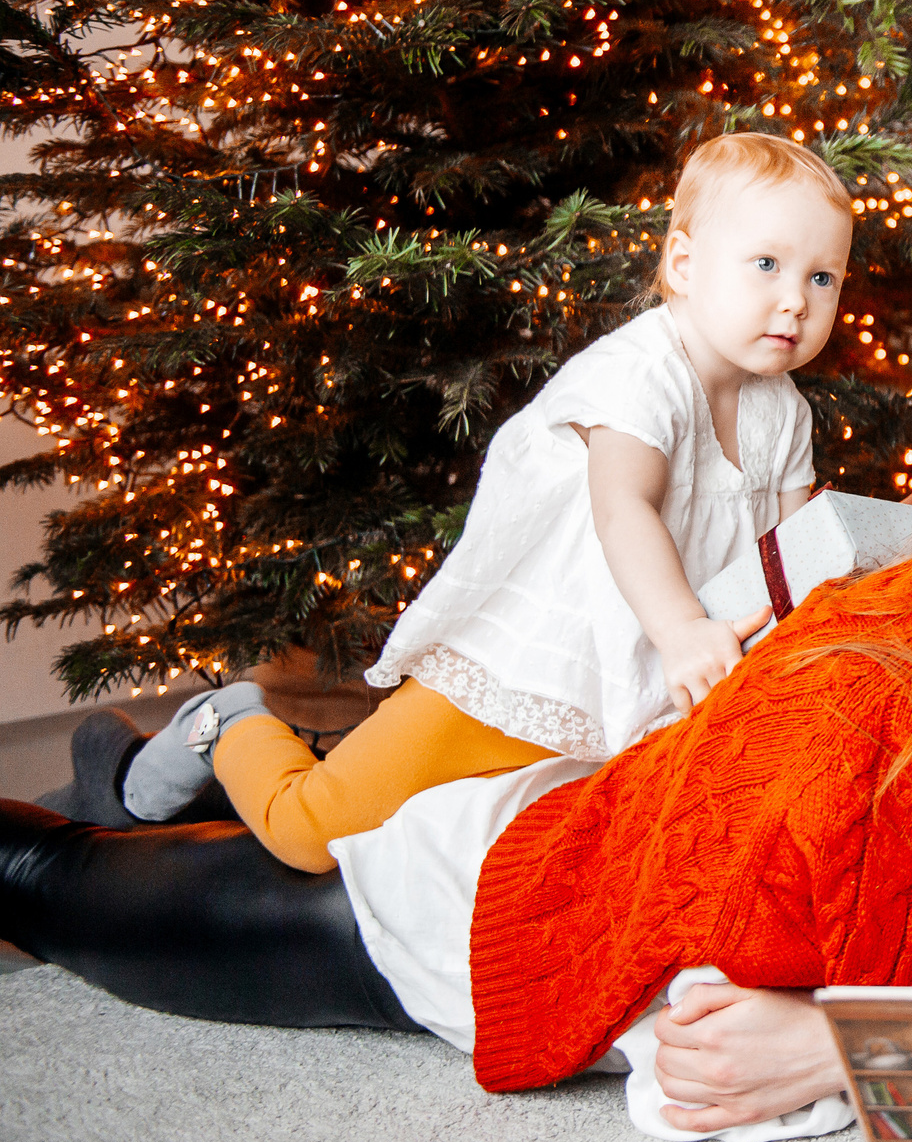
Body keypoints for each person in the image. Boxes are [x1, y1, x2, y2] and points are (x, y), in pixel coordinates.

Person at [0, 381, 912, 1141]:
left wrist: (845, 1041)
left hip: (588, 802)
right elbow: (707, 1057)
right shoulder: (851, 729)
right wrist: (866, 1050)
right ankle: (202, 742)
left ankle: (141, 770)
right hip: (458, 910)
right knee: (53, 887)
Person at [108, 132, 855, 871]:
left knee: (518, 860)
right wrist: (685, 630)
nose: (795, 300)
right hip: (529, 661)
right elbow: (623, 507)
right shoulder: (642, 374)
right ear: (685, 266)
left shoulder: (782, 409)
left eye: (823, 278)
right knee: (315, 831)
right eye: (767, 264)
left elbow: (788, 553)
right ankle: (227, 721)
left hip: (636, 685)